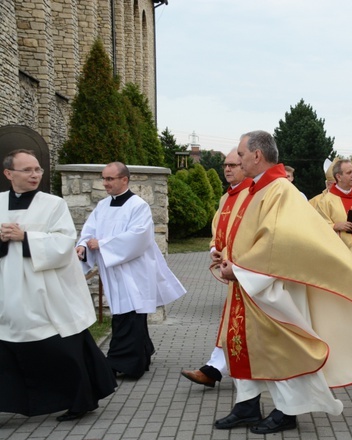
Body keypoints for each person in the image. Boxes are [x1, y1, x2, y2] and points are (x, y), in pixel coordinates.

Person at [213, 130, 352, 433]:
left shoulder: (279, 190)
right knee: (244, 342)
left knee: (284, 346)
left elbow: (279, 239)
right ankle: (246, 405)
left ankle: (288, 411)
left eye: (242, 155)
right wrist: (225, 255)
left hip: (275, 284)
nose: (239, 161)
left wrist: (242, 268)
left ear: (257, 156)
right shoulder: (255, 189)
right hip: (248, 283)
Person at [1, 150, 116, 421]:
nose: (35, 175)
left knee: (60, 346)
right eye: (27, 170)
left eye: (38, 169)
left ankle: (80, 400)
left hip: (44, 288)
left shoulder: (53, 204)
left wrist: (25, 236)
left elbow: (64, 242)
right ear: (9, 174)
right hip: (8, 288)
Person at [77, 162, 186, 379]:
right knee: (125, 314)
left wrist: (104, 244)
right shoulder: (103, 206)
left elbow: (138, 237)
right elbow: (89, 231)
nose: (105, 183)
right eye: (104, 178)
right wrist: (82, 244)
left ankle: (124, 364)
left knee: (130, 315)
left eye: (110, 179)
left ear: (124, 180)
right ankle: (142, 353)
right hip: (114, 271)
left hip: (134, 271)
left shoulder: (138, 206)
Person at [181, 149, 252, 388]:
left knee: (242, 324)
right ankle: (214, 369)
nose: (228, 169)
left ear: (246, 166)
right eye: (225, 165)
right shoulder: (226, 197)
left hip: (250, 271)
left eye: (233, 165)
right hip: (233, 271)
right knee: (234, 322)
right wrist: (215, 250)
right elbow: (217, 229)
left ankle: (218, 370)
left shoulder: (253, 195)